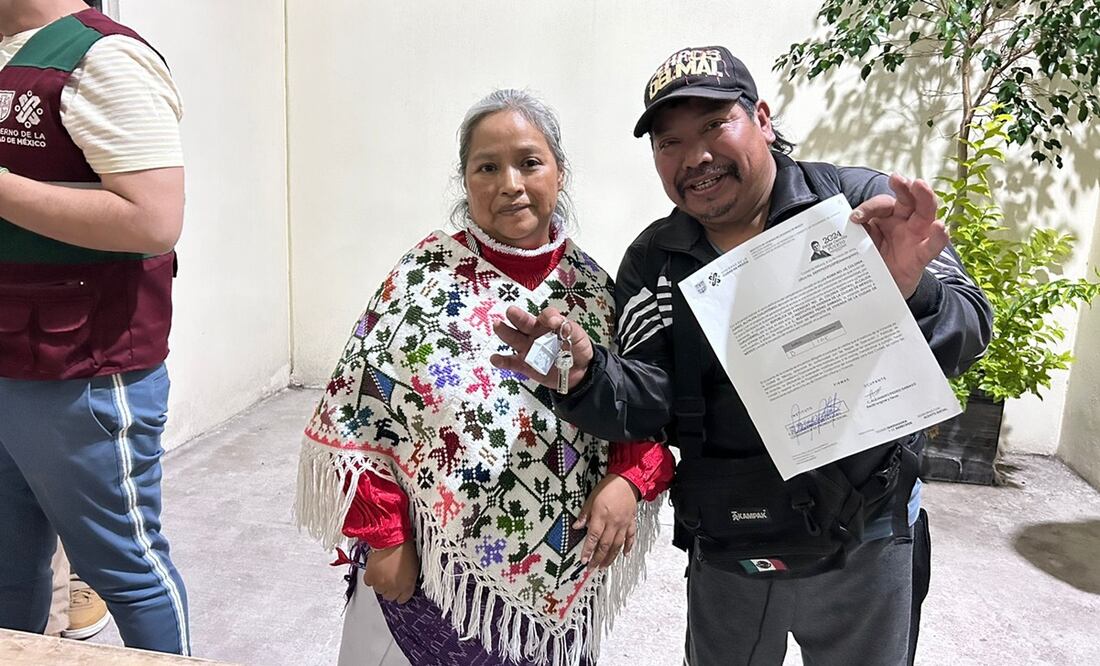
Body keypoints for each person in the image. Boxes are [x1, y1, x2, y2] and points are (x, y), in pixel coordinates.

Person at [492, 46, 993, 665]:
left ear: (761, 116)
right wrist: (589, 376)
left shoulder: (857, 206)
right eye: (668, 142)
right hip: (732, 539)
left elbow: (970, 329)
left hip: (869, 535)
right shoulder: (656, 262)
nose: (694, 157)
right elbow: (647, 401)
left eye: (713, 125)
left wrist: (909, 292)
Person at [295, 89, 674, 666]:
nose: (510, 184)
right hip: (429, 571)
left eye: (529, 162)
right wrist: (384, 534)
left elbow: (637, 405)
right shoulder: (420, 280)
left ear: (559, 171)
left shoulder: (597, 290)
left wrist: (631, 478)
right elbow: (359, 412)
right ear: (464, 180)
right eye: (487, 167)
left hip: (564, 564)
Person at [0, 0, 189, 655]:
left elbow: (153, 220)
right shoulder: (11, 54)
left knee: (126, 572)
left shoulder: (103, 58)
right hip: (11, 360)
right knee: (7, 574)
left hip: (82, 368)